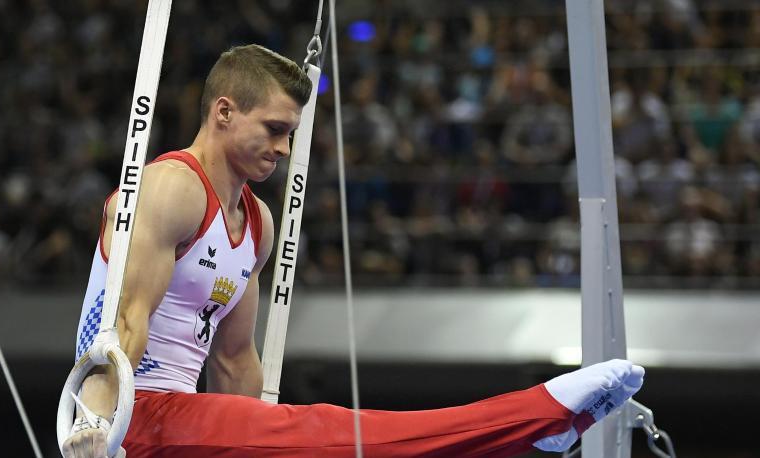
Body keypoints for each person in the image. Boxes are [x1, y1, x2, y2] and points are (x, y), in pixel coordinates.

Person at [62, 44, 645, 458]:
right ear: (223, 112)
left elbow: (236, 362)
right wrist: (93, 427)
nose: (285, 148)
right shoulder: (171, 187)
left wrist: (258, 441)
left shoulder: (257, 225)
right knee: (331, 432)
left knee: (308, 441)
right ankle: (533, 419)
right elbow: (124, 322)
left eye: (290, 133)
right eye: (272, 128)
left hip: (186, 429)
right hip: (132, 420)